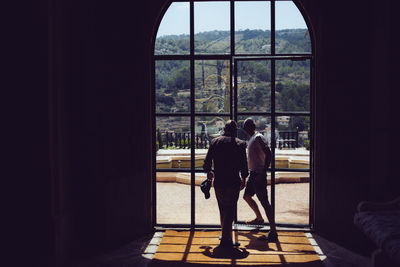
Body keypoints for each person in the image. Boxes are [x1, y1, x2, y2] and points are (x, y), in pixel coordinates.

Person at [203, 120, 248, 248]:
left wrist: (209, 172)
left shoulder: (215, 142)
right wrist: (243, 179)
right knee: (230, 210)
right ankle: (226, 240)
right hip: (233, 182)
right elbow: (244, 166)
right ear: (235, 130)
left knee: (222, 209)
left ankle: (225, 236)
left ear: (224, 129)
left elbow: (207, 163)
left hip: (219, 182)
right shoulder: (240, 144)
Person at [242, 118, 278, 241]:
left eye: (246, 127)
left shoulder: (258, 137)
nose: (246, 130)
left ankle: (273, 231)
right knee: (247, 196)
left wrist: (263, 172)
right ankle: (259, 218)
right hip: (254, 174)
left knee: (265, 202)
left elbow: (268, 154)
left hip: (258, 174)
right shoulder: (253, 138)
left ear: (247, 128)